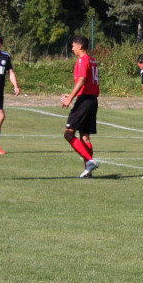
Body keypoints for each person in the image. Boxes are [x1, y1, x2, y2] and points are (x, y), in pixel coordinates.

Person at [61, 36, 100, 178]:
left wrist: (70, 98)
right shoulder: (92, 60)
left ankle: (89, 162)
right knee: (85, 137)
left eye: (73, 46)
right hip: (92, 100)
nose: (72, 49)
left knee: (68, 133)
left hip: (84, 101)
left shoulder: (82, 60)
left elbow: (82, 80)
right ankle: (88, 171)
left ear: (80, 47)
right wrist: (71, 94)